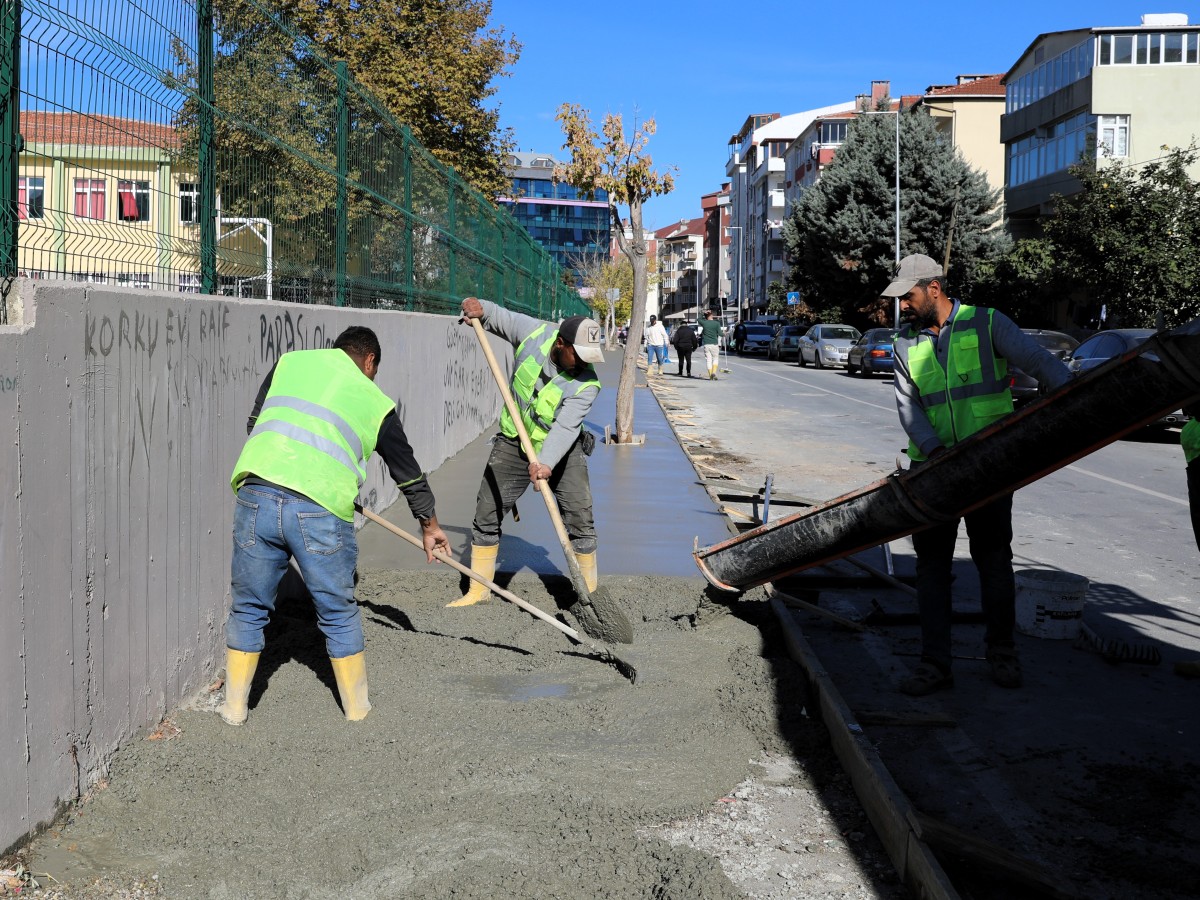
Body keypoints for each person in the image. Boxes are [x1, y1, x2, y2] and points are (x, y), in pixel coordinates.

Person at [223, 326, 450, 725]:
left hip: (256, 493)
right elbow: (408, 473)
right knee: (337, 611)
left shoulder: (290, 363)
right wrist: (429, 526)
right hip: (319, 508)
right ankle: (358, 711)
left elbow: (257, 422)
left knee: (248, 607)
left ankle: (234, 709)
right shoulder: (374, 400)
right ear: (369, 362)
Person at [883, 254, 1070, 696]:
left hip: (989, 467)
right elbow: (909, 408)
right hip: (933, 470)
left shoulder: (987, 323)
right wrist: (935, 453)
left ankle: (1002, 654)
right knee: (931, 568)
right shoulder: (905, 344)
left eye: (907, 297)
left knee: (993, 561)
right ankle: (935, 665)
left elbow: (1040, 362)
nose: (903, 307)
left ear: (933, 288)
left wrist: (1072, 399)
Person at [451, 297, 604, 608]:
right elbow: (499, 316)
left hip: (563, 449)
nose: (585, 363)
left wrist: (546, 463)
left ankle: (588, 597)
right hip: (513, 442)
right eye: (579, 354)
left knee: (580, 518)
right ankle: (478, 590)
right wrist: (480, 308)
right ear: (561, 343)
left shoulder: (587, 385)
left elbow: (565, 428)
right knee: (487, 511)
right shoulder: (535, 334)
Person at [699, 310, 723, 380]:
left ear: (706, 317)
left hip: (706, 344)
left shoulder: (704, 323)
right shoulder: (716, 323)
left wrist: (703, 313)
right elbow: (720, 334)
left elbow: (698, 319)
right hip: (714, 344)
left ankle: (710, 376)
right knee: (715, 358)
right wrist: (724, 334)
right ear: (712, 316)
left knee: (708, 360)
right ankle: (714, 373)